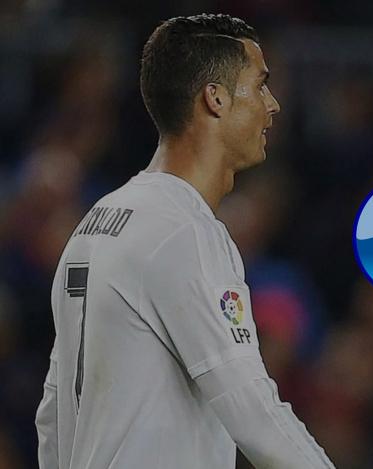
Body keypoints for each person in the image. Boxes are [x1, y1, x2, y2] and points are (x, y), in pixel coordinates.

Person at [34, 14, 334, 469]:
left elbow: (53, 414)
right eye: (259, 86)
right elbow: (253, 410)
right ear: (215, 98)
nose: (272, 105)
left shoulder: (95, 223)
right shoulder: (184, 231)